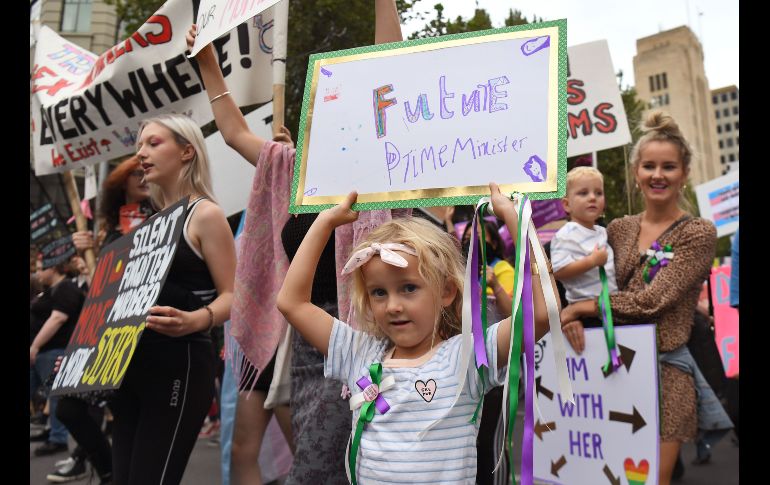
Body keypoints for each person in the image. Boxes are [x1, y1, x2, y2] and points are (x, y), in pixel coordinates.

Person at [187, 2, 404, 483]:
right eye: (319, 101)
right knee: (319, 464)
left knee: (350, 466)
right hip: (308, 343)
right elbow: (232, 131)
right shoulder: (289, 168)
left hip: (369, 333)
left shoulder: (375, 159)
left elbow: (390, 60)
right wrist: (207, 61)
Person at [276, 183, 556, 484]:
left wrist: (515, 220)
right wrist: (325, 221)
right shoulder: (358, 353)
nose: (393, 306)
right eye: (379, 292)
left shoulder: (467, 358)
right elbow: (291, 303)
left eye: (409, 288)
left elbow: (541, 314)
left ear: (446, 291)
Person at [559, 112, 722, 485]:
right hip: (613, 368)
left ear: (684, 173)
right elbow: (592, 282)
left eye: (668, 166)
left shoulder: (698, 233)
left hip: (666, 375)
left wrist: (582, 307)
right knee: (605, 477)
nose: (658, 175)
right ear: (636, 172)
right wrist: (573, 319)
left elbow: (652, 301)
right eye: (649, 166)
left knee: (649, 481)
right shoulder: (618, 228)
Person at [109, 114, 236, 484]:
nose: (141, 155)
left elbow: (235, 294)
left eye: (153, 143)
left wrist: (196, 320)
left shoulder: (206, 215)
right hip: (130, 367)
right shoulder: (148, 225)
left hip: (179, 365)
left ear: (187, 151)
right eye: (139, 147)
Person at [30, 257, 85, 456]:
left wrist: (35, 345)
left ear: (53, 268)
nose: (37, 273)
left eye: (39, 268)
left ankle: (58, 437)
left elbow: (58, 318)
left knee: (56, 398)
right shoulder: (52, 290)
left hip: (54, 350)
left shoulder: (65, 288)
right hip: (44, 350)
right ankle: (51, 431)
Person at [551, 166, 618, 328]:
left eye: (598, 193)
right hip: (585, 314)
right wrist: (592, 261)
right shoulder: (565, 234)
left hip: (611, 308)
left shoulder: (602, 231)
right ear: (567, 205)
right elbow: (558, 271)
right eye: (583, 193)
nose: (592, 198)